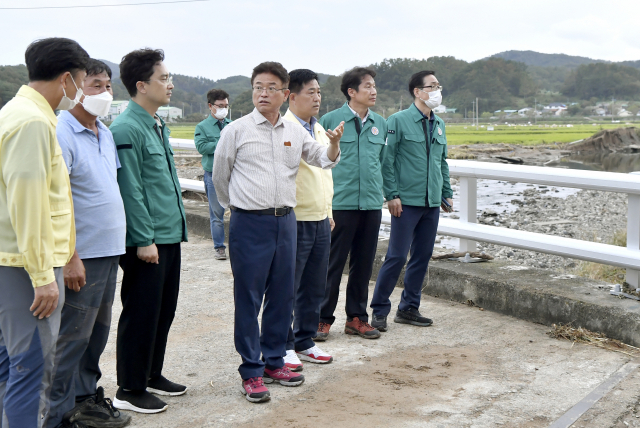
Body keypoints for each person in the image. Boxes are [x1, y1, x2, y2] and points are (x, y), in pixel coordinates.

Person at [212, 62, 343, 403]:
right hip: (249, 223)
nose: (263, 93)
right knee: (249, 296)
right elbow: (219, 179)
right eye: (258, 87)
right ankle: (251, 372)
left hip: (286, 221)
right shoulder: (236, 131)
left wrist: (332, 145)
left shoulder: (294, 130)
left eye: (271, 88)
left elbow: (321, 160)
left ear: (285, 93)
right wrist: (239, 209)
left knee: (283, 295)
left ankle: (274, 361)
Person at [0, 37, 88, 428]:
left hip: (14, 261)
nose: (81, 92)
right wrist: (42, 278)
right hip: (25, 266)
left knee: (9, 365)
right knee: (31, 368)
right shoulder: (33, 122)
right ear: (67, 78)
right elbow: (29, 205)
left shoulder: (15, 112)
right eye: (83, 82)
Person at [47, 59, 131, 428]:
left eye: (108, 85)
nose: (105, 93)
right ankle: (55, 412)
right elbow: (56, 202)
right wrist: (69, 256)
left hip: (110, 250)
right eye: (96, 84)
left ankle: (84, 399)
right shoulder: (61, 132)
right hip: (83, 255)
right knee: (70, 337)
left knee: (95, 334)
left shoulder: (105, 132)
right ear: (76, 88)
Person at [110, 48, 188, 414]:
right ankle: (129, 386)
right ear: (141, 85)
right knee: (141, 311)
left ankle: (152, 373)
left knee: (163, 310)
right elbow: (132, 189)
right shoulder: (126, 127)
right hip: (148, 239)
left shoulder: (156, 124)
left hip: (168, 234)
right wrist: (143, 239)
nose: (170, 84)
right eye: (164, 78)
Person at [370, 71, 453, 332]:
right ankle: (380, 309)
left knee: (422, 256)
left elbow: (442, 162)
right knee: (396, 256)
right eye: (431, 86)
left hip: (431, 203)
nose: (437, 91)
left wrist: (445, 192)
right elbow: (387, 161)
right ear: (417, 92)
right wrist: (392, 195)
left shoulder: (438, 124)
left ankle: (408, 308)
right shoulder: (398, 121)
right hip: (405, 203)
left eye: (438, 85)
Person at [317, 67, 387, 341]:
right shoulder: (330, 120)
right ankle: (321, 318)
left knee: (364, 263)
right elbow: (320, 163)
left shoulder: (380, 122)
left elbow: (381, 163)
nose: (374, 91)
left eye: (374, 86)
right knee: (331, 263)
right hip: (340, 204)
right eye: (368, 86)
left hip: (370, 204)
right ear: (351, 91)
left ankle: (357, 318)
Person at [281, 70, 334, 372]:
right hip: (296, 218)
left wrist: (329, 212)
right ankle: (284, 344)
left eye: (318, 92)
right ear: (292, 96)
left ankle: (305, 339)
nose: (316, 97)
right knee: (288, 285)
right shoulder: (285, 128)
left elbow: (326, 171)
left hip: (320, 217)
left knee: (314, 285)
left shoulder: (320, 128)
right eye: (310, 92)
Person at [195, 89, 231, 260]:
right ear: (211, 106)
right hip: (213, 175)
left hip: (233, 175)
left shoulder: (232, 125)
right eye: (220, 106)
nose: (224, 109)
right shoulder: (202, 127)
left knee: (239, 212)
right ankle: (219, 247)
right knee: (217, 214)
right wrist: (222, 142)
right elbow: (202, 147)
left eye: (226, 106)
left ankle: (238, 245)